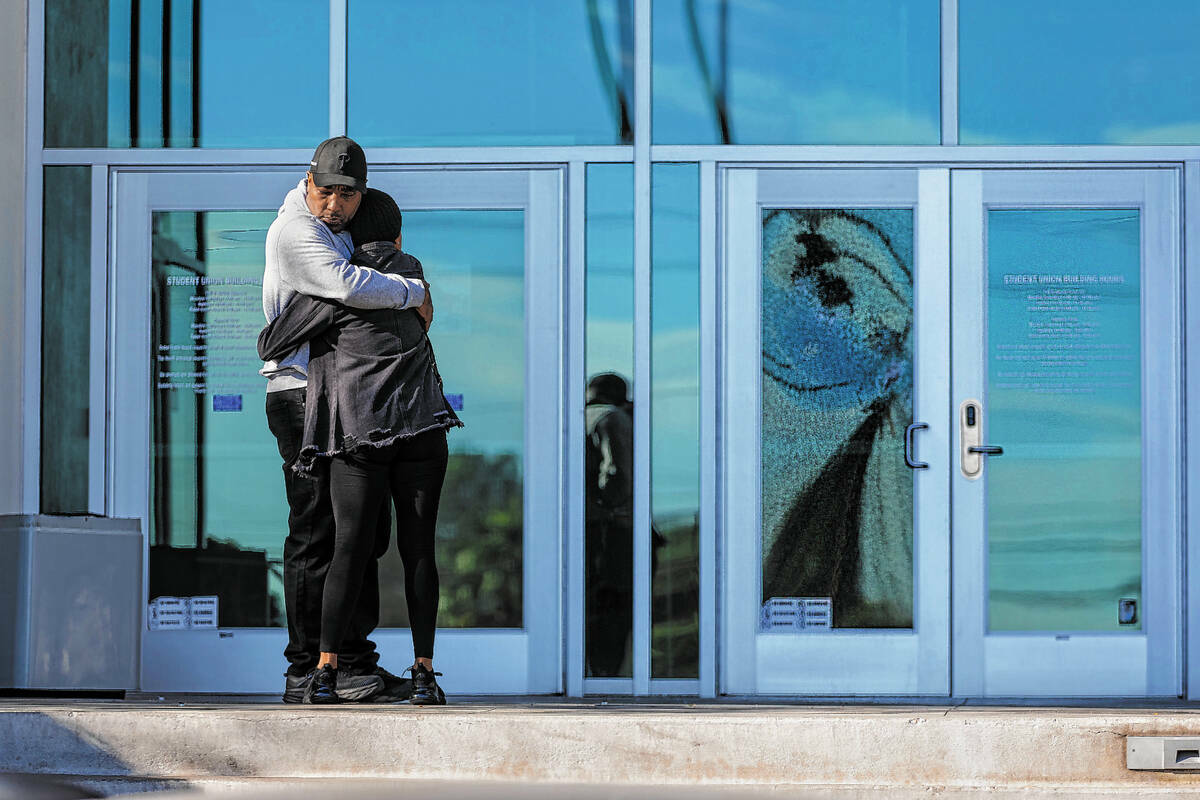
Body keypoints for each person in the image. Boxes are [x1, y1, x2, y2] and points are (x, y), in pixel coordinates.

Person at [259, 188, 461, 705]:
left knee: (337, 541)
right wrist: (413, 292)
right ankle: (409, 670)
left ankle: (325, 669)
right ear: (397, 235)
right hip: (415, 427)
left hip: (354, 427)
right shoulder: (411, 278)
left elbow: (274, 341)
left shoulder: (345, 284)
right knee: (379, 543)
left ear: (350, 237)